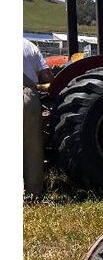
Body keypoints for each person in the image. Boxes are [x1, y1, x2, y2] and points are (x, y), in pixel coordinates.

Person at [23, 39, 54, 198]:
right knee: (32, 148)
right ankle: (33, 194)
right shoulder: (28, 45)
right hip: (26, 97)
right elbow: (46, 76)